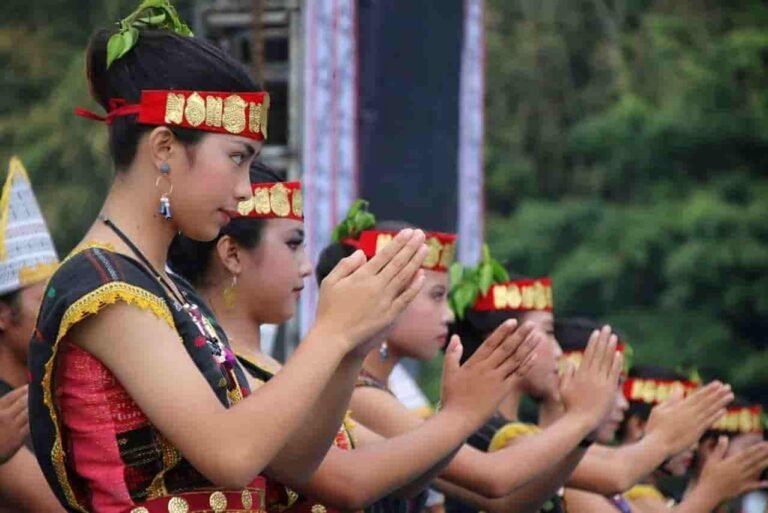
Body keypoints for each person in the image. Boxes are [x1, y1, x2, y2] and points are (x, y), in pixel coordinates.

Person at [27, 2, 430, 512]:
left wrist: (350, 346)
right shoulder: (106, 290)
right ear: (165, 148)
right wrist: (331, 332)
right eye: (237, 158)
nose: (245, 190)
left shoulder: (168, 289)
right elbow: (231, 456)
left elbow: (295, 465)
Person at [168, 164, 538, 513]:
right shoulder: (217, 369)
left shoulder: (278, 372)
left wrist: (458, 414)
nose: (306, 266)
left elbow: (400, 478)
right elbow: (350, 482)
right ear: (232, 254)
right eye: (293, 244)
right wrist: (460, 416)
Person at [316, 208, 623, 513]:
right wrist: (581, 419)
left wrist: (583, 427)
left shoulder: (379, 394)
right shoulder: (361, 395)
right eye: (437, 295)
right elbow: (495, 481)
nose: (449, 315)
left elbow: (506, 499)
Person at [0, 156, 65, 512]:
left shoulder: (46, 394)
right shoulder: (5, 418)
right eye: (43, 301)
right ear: (2, 315)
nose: (57, 316)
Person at [620, 365, 768, 512]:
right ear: (639, 425)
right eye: (683, 429)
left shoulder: (658, 497)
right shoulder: (634, 496)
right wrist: (712, 491)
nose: (694, 444)